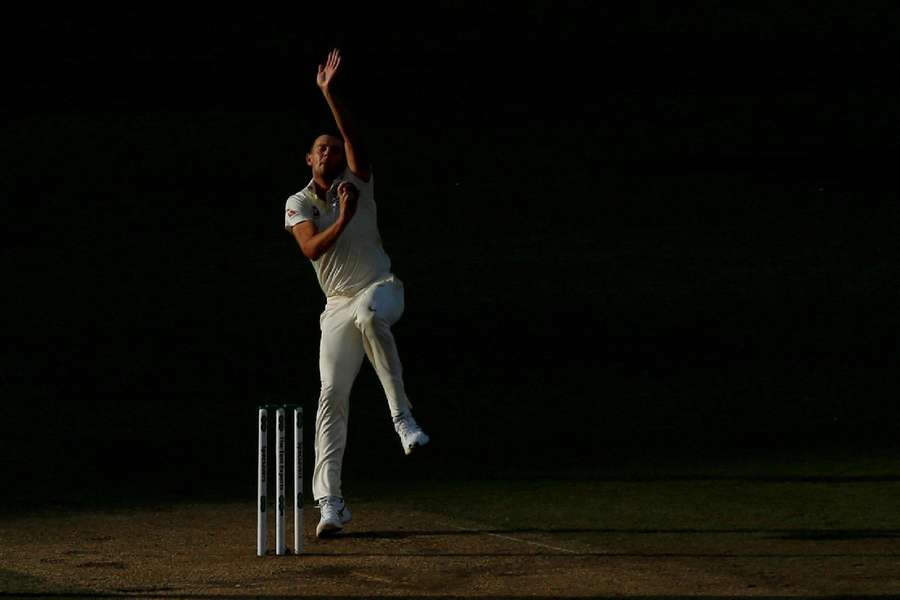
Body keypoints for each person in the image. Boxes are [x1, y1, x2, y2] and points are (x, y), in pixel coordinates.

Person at [283, 49, 430, 538]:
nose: (328, 152)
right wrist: (343, 218)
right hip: (335, 306)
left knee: (371, 316)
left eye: (332, 146)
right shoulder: (299, 202)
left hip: (381, 288)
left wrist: (329, 93)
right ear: (308, 159)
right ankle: (331, 503)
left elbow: (354, 139)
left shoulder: (357, 179)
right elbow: (310, 250)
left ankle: (402, 416)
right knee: (330, 395)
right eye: (319, 148)